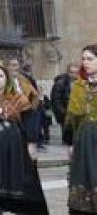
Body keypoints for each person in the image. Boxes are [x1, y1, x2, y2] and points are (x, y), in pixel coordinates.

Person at [0, 62, 48, 214]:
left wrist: (31, 143)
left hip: (15, 147)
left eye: (1, 76)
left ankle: (15, 207)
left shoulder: (19, 99)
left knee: (16, 179)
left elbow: (30, 120)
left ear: (7, 79)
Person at [66, 44, 97, 214]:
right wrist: (70, 143)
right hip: (83, 141)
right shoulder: (78, 86)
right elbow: (71, 118)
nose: (85, 62)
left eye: (90, 59)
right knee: (83, 178)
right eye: (83, 59)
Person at [9, 58, 45, 155]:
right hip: (13, 112)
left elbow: (34, 93)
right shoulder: (5, 79)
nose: (15, 68)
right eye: (12, 65)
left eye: (16, 65)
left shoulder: (23, 78)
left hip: (27, 111)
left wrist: (33, 106)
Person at [53, 63, 80, 146]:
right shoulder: (60, 83)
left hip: (78, 111)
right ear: (68, 72)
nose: (74, 75)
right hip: (66, 111)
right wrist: (63, 112)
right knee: (68, 134)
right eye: (72, 72)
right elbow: (56, 99)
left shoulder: (81, 82)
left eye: (76, 72)